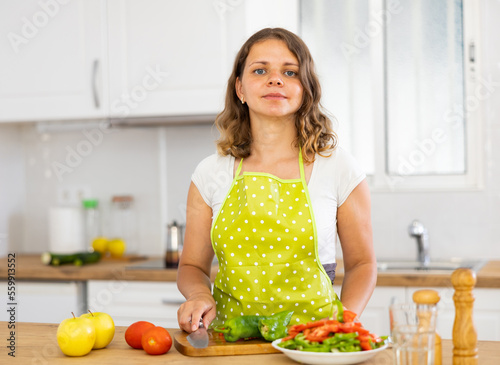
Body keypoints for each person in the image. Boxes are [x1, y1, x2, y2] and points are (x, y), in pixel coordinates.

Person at [177, 27, 376, 334]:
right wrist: (199, 294)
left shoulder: (339, 168)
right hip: (231, 343)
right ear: (240, 89)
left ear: (305, 89)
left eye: (290, 72)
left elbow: (362, 264)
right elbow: (192, 266)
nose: (275, 79)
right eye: (260, 70)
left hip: (313, 344)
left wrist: (344, 323)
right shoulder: (209, 173)